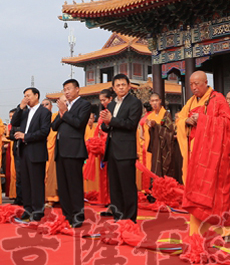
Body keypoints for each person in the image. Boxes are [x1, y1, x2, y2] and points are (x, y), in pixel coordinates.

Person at [181, 70, 230, 237]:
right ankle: (198, 231)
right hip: (196, 155)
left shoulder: (218, 99)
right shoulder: (191, 102)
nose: (193, 87)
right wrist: (186, 121)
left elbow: (228, 124)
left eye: (197, 84)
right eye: (191, 84)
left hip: (215, 156)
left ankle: (224, 230)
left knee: (220, 191)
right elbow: (180, 119)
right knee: (196, 190)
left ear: (206, 82)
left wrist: (203, 120)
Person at [101, 74, 142, 222]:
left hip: (125, 150)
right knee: (115, 186)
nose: (121, 87)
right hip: (112, 149)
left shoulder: (134, 102)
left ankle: (130, 218)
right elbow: (107, 126)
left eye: (123, 84)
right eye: (117, 85)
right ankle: (118, 217)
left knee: (127, 185)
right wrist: (105, 123)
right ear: (113, 88)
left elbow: (131, 124)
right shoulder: (111, 105)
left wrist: (111, 120)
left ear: (129, 86)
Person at [52, 79, 91, 227]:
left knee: (74, 184)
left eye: (69, 89)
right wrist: (62, 112)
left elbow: (79, 123)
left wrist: (64, 112)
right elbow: (54, 126)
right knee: (63, 185)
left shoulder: (84, 105)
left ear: (77, 90)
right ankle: (67, 214)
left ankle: (77, 216)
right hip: (60, 150)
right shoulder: (65, 106)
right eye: (64, 90)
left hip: (74, 150)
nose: (66, 92)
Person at [10, 87, 51, 221]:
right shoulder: (25, 112)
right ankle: (27, 209)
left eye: (28, 95)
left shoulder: (44, 112)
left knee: (36, 182)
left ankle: (38, 210)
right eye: (24, 96)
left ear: (36, 95)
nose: (26, 98)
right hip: (23, 151)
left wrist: (26, 136)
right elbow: (14, 122)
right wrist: (20, 108)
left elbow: (44, 132)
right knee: (25, 182)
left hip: (36, 150)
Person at [145, 93, 181, 182]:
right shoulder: (149, 117)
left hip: (164, 149)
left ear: (160, 101)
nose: (154, 103)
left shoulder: (166, 114)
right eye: (152, 101)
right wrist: (151, 128)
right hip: (153, 148)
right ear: (150, 102)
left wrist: (156, 126)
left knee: (165, 171)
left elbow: (169, 131)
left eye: (156, 100)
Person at [41, 99, 59, 204]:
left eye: (47, 104)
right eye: (42, 105)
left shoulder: (56, 117)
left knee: (53, 175)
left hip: (54, 150)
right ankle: (43, 197)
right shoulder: (39, 118)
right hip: (43, 149)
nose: (45, 106)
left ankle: (54, 198)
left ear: (51, 106)